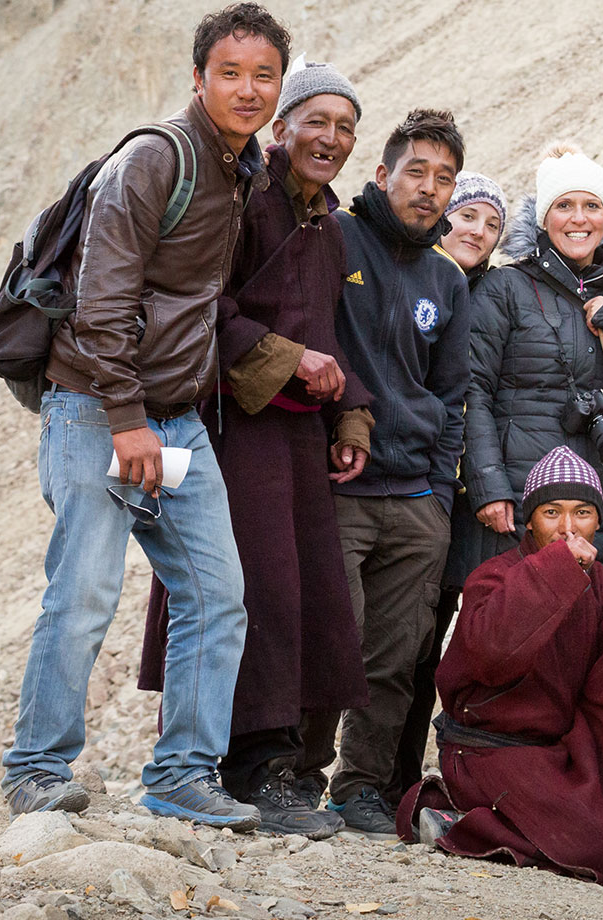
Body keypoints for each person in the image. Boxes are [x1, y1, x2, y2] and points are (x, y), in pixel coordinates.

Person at [3, 2, 286, 829]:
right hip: (98, 410)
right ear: (198, 78)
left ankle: (181, 775)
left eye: (262, 74)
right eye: (228, 73)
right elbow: (101, 298)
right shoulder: (155, 159)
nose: (246, 88)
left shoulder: (244, 167)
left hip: (175, 420)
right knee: (85, 593)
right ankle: (36, 770)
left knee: (216, 594)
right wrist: (126, 417)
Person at [136, 61, 377, 838]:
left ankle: (280, 765)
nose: (330, 139)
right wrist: (286, 358)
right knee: (252, 591)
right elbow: (206, 304)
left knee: (306, 596)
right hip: (231, 427)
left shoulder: (327, 224)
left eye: (344, 128)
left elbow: (333, 335)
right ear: (282, 130)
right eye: (316, 121)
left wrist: (352, 420)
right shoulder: (245, 200)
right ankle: (238, 767)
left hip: (298, 436)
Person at [398, 445, 603, 885]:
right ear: (531, 520)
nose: (567, 528)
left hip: (558, 743)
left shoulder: (595, 583)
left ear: (598, 521)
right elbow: (493, 653)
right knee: (598, 842)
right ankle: (456, 821)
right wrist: (558, 569)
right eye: (551, 513)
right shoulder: (493, 575)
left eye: (581, 513)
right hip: (490, 751)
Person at [296, 109, 472, 837]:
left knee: (397, 655)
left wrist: (436, 489)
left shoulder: (446, 278)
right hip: (341, 488)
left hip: (416, 497)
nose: (429, 189)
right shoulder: (335, 239)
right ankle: (292, 774)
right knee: (329, 639)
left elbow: (451, 393)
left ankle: (360, 786)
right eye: (417, 172)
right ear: (382, 175)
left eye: (444, 178)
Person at [462, 144, 603, 604]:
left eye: (591, 205)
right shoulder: (505, 287)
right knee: (519, 631)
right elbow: (473, 388)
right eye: (564, 205)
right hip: (517, 499)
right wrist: (488, 484)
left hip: (594, 501)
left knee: (598, 622)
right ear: (543, 218)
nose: (579, 218)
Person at [392, 169, 510, 805]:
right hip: (410, 481)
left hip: (461, 494)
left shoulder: (488, 293)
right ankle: (378, 775)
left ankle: (407, 780)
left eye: (492, 225)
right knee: (403, 638)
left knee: (433, 639)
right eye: (469, 217)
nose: (478, 232)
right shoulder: (411, 277)